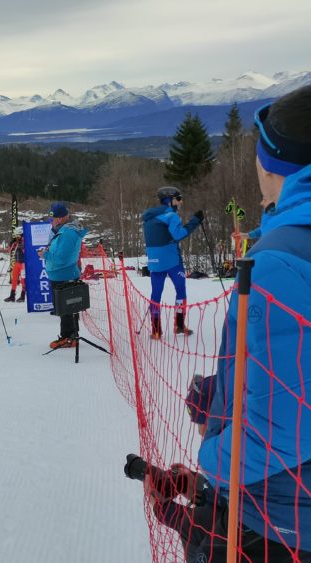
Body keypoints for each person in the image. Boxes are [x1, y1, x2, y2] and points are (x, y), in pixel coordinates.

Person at [196, 85, 311, 561]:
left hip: (283, 517)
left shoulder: (278, 265)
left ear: (270, 168)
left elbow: (278, 434)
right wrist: (223, 394)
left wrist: (210, 458)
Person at [142, 186, 204, 338]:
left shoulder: (149, 217)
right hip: (172, 261)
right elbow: (178, 235)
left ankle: (156, 330)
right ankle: (180, 325)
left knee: (156, 294)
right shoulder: (171, 215)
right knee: (180, 290)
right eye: (179, 199)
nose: (181, 202)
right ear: (170, 200)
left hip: (155, 262)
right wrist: (195, 221)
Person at [39, 203, 87, 350]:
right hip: (61, 275)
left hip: (63, 275)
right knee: (67, 309)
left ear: (59, 218)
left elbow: (61, 258)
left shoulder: (67, 233)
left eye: (52, 219)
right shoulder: (64, 231)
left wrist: (45, 255)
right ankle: (71, 336)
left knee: (66, 309)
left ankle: (68, 337)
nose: (51, 222)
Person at [4, 226, 26, 303]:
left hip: (23, 264)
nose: (17, 237)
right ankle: (12, 295)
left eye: (18, 236)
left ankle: (23, 296)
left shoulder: (25, 241)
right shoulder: (15, 242)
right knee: (14, 279)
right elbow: (9, 251)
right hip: (17, 263)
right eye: (16, 236)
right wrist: (11, 244)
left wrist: (21, 245)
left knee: (23, 280)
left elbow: (26, 251)